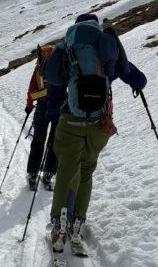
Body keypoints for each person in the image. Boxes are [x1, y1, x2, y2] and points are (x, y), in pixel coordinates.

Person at [43, 14, 146, 252]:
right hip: (100, 125)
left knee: (67, 171)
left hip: (71, 122)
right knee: (86, 171)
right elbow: (138, 79)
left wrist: (54, 116)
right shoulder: (106, 49)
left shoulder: (67, 50)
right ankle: (78, 222)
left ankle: (60, 224)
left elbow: (55, 88)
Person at [25, 45, 58, 191]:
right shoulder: (60, 65)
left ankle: (33, 173)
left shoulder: (38, 69)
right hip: (59, 107)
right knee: (54, 141)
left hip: (42, 106)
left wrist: (29, 105)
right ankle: (48, 173)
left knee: (38, 140)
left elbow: (32, 89)